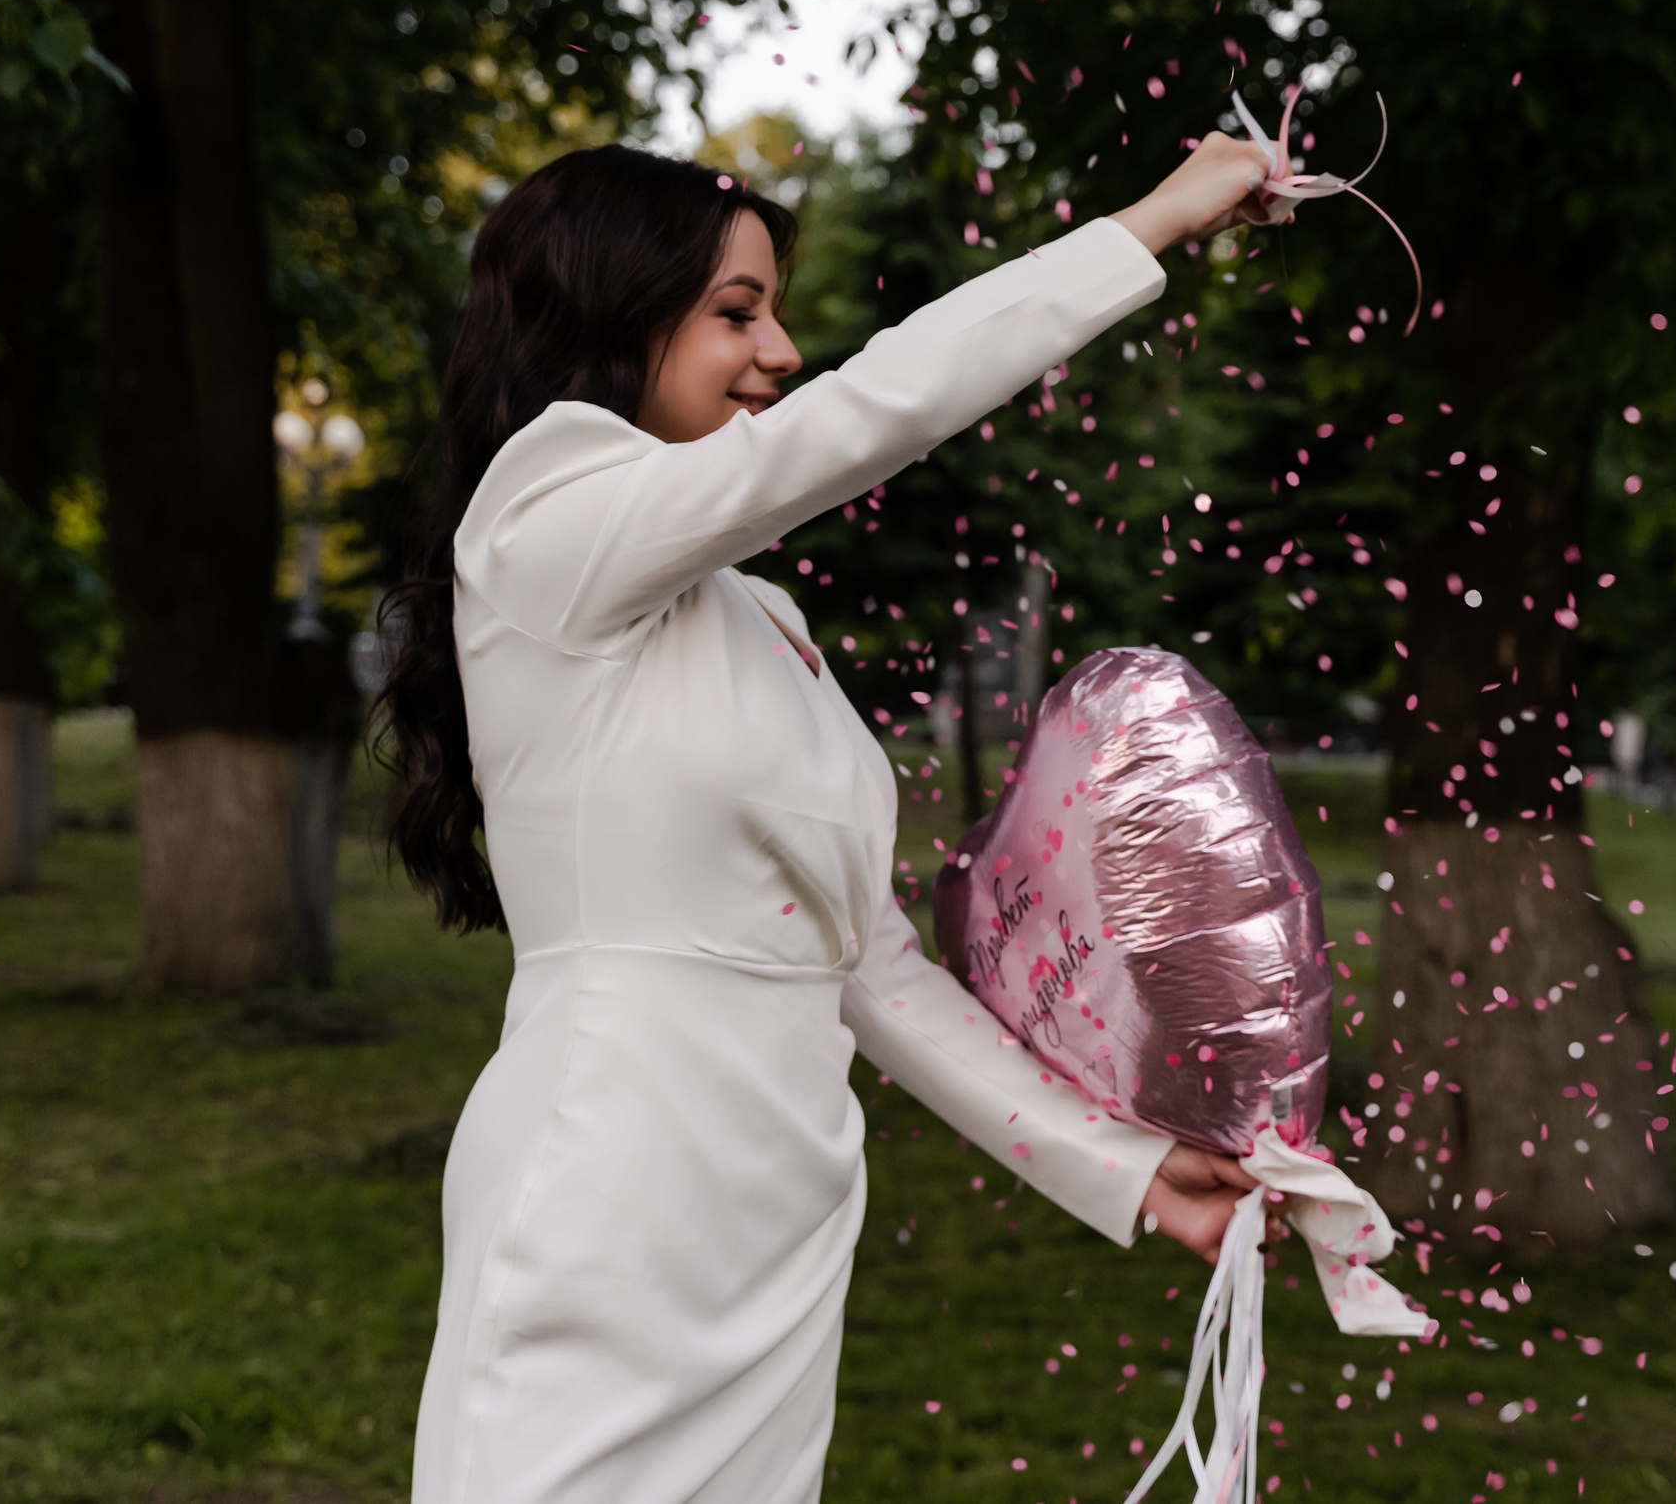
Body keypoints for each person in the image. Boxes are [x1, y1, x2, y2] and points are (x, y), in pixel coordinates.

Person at [377, 134, 1282, 1503]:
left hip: (780, 1199)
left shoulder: (761, 617)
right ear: (607, 313)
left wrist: (1134, 1171)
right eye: (736, 313)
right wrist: (1146, 226)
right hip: (613, 1173)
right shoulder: (541, 504)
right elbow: (867, 416)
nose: (782, 351)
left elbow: (863, 960)